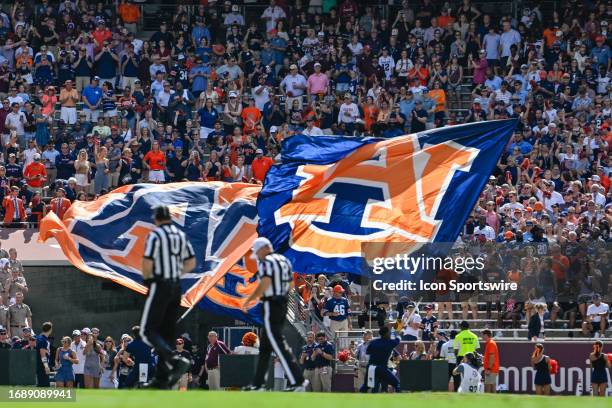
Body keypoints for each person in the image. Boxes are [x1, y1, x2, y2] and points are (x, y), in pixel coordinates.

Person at [139, 205, 196, 389]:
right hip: (176, 286)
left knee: (147, 330)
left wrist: (149, 280)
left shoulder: (156, 235)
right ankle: (162, 378)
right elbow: (191, 262)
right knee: (167, 333)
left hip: (160, 284)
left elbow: (147, 262)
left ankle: (174, 359)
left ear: (156, 219)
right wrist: (176, 273)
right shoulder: (180, 235)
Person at [241, 237, 307, 392]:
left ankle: (298, 381)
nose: (257, 256)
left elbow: (265, 283)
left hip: (271, 304)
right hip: (282, 302)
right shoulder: (283, 261)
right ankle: (258, 384)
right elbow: (291, 284)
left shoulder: (266, 262)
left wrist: (249, 300)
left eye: (257, 253)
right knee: (265, 348)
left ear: (263, 249)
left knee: (278, 343)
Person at [359, 326, 400, 393]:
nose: (390, 334)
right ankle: (401, 400)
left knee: (366, 386)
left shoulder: (373, 342)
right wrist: (397, 332)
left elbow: (368, 352)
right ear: (386, 334)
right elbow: (398, 339)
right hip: (382, 368)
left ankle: (358, 400)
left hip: (371, 367)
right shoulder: (390, 343)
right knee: (397, 384)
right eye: (389, 333)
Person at [35, 321, 53, 387]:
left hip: (40, 366)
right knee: (44, 387)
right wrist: (46, 366)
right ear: (50, 329)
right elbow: (42, 353)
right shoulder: (42, 339)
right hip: (42, 367)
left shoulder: (40, 338)